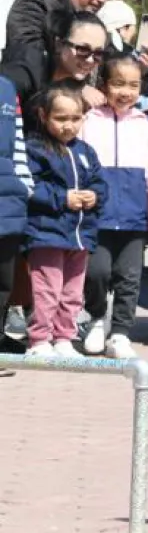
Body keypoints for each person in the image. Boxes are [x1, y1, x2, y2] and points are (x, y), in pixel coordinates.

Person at [80, 54, 148, 359]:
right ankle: (96, 318)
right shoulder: (88, 122)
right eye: (118, 83)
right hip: (97, 217)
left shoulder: (147, 128)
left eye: (133, 85)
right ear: (104, 85)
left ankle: (120, 332)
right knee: (96, 272)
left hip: (134, 218)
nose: (126, 91)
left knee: (129, 277)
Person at [24, 82, 108, 358]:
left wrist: (94, 196)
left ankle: (64, 338)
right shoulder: (35, 148)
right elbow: (30, 186)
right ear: (43, 116)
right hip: (46, 233)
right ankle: (39, 340)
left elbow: (100, 182)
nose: (68, 126)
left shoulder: (86, 151)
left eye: (75, 118)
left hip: (79, 235)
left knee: (72, 292)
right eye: (60, 118)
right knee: (47, 290)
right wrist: (62, 198)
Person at [2, 0, 117, 106]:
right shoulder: (36, 5)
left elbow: (113, 63)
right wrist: (74, 86)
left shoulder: (95, 24)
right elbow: (29, 58)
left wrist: (142, 67)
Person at [0, 69, 33, 371]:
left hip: (8, 199)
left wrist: (24, 185)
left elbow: (18, 144)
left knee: (4, 281)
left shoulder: (7, 89)